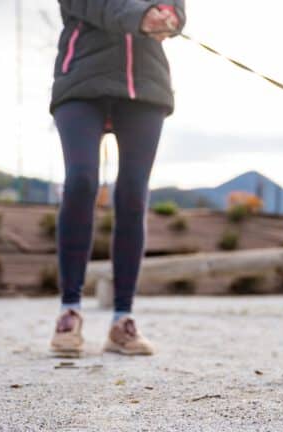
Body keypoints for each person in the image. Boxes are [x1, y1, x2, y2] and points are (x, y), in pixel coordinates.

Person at [49, 1, 186, 356]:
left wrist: (169, 18)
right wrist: (140, 16)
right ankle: (69, 310)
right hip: (81, 79)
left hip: (146, 86)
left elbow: (176, 9)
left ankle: (122, 320)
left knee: (133, 194)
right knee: (81, 182)